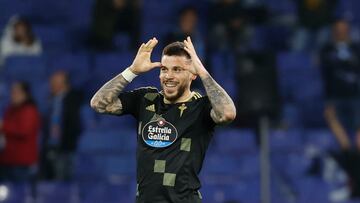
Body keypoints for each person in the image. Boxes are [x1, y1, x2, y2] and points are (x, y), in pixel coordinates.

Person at [90, 37, 236, 202]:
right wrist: (132, 71)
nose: (168, 76)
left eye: (177, 70)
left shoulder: (201, 108)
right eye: (164, 69)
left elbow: (227, 114)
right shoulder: (146, 99)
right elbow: (99, 104)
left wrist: (202, 71)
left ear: (192, 74)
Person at [41, 71, 83, 180]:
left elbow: (75, 124)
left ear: (63, 84)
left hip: (67, 147)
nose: (51, 85)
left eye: (54, 83)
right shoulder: (51, 101)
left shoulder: (72, 99)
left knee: (63, 181)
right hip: (52, 147)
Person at [0, 81, 41, 181]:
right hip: (8, 160)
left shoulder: (29, 110)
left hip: (22, 162)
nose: (13, 95)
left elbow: (23, 130)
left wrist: (3, 126)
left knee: (21, 193)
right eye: (12, 92)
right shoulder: (10, 109)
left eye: (16, 92)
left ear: (25, 94)